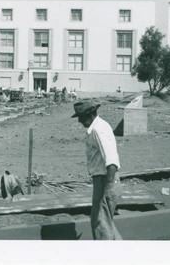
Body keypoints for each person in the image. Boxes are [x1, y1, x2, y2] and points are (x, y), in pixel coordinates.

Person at [71, 99, 123, 240]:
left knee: (100, 224)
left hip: (106, 180)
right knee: (105, 223)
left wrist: (107, 188)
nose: (79, 122)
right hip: (105, 180)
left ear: (88, 115)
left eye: (80, 117)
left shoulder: (98, 129)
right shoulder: (100, 126)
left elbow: (111, 161)